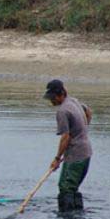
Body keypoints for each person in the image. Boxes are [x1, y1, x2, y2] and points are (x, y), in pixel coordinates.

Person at [43, 79, 93, 211]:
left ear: (60, 95)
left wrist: (57, 158)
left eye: (53, 98)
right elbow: (89, 112)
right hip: (86, 152)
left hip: (76, 155)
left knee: (65, 187)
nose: (52, 101)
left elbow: (66, 137)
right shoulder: (74, 101)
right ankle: (77, 214)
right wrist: (83, 130)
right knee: (73, 187)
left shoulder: (62, 111)